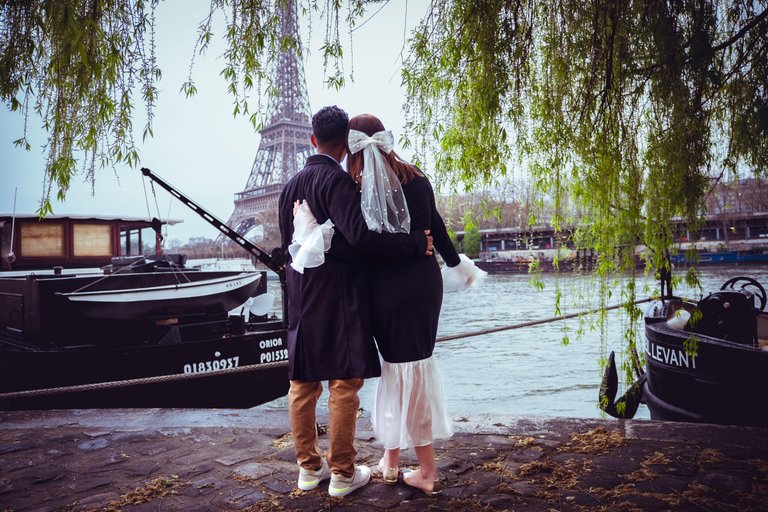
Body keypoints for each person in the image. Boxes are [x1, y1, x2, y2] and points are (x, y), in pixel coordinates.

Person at [277, 106, 433, 498]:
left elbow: (287, 250)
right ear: (347, 145)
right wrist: (416, 243)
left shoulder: (289, 188)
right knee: (343, 384)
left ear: (312, 139)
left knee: (301, 383)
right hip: (339, 296)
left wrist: (311, 238)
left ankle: (308, 469)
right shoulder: (338, 183)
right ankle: (343, 474)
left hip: (300, 298)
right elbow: (362, 240)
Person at [345, 114, 483, 496]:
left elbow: (363, 245)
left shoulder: (356, 188)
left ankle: (427, 471)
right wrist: (456, 264)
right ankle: (391, 461)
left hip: (385, 290)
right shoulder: (416, 177)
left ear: (356, 146)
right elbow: (436, 226)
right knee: (408, 371)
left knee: (400, 371)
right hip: (424, 285)